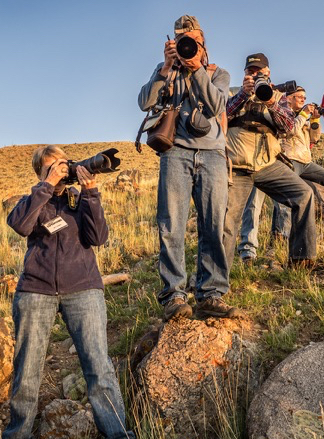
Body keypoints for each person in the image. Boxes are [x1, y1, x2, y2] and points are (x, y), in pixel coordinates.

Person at [2, 145, 135, 439]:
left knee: (99, 367)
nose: (62, 170)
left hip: (83, 288)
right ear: (40, 172)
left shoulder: (78, 201)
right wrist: (46, 187)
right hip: (36, 290)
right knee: (27, 372)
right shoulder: (31, 201)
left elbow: (99, 237)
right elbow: (20, 226)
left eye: (64, 164)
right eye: (53, 166)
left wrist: (90, 192)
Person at [138, 15, 239, 321]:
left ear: (202, 41)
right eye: (181, 40)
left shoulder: (217, 73)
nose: (186, 45)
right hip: (176, 152)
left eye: (192, 40)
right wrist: (166, 69)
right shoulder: (166, 71)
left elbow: (216, 106)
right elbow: (144, 103)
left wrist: (196, 69)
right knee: (171, 224)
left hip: (212, 155)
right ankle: (174, 295)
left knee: (214, 225)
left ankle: (211, 293)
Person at [223, 53, 316, 269]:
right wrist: (244, 95)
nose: (255, 75)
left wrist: (272, 101)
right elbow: (221, 117)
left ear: (268, 73)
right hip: (237, 165)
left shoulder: (279, 97)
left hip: (268, 164)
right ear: (245, 73)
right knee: (228, 221)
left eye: (259, 71)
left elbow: (290, 128)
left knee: (304, 194)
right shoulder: (232, 93)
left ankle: (301, 259)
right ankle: (218, 278)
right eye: (250, 71)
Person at [271, 86, 324, 237]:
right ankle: (281, 234)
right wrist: (304, 114)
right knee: (287, 199)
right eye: (300, 97)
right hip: (289, 160)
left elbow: (314, 138)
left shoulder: (302, 117)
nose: (304, 100)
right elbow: (290, 132)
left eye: (305, 97)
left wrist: (315, 118)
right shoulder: (285, 114)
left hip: (306, 162)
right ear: (289, 98)